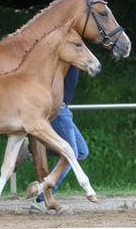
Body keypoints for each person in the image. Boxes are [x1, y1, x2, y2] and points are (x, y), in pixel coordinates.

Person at [16, 65, 89, 213]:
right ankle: (41, 198)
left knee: (81, 151)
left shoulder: (75, 46)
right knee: (70, 155)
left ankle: (30, 149)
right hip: (58, 108)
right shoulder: (66, 45)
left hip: (65, 108)